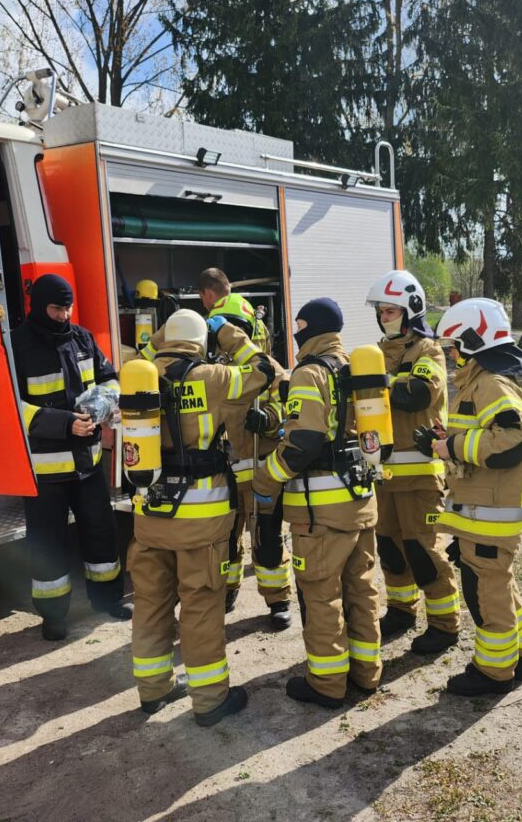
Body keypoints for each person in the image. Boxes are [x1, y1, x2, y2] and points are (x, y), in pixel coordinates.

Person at [128, 309, 275, 726]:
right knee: (199, 605)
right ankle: (210, 699)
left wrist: (158, 336)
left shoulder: (137, 374)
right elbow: (267, 369)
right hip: (201, 518)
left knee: (151, 602)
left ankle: (153, 690)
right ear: (200, 342)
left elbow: (148, 349)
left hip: (149, 514)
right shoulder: (213, 377)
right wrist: (228, 334)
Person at [253, 298, 382, 709]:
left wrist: (266, 475)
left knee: (322, 596)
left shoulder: (310, 372)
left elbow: (303, 441)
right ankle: (366, 673)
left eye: (298, 325)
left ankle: (327, 684)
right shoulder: (352, 371)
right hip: (360, 500)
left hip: (321, 513)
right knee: (361, 590)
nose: (294, 332)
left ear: (309, 328)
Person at [12, 274, 131, 641]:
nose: (63, 315)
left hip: (88, 464)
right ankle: (53, 616)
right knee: (46, 545)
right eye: (56, 308)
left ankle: (107, 599)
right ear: (39, 305)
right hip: (45, 472)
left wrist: (98, 410)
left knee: (101, 533)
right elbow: (12, 406)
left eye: (68, 308)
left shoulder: (82, 338)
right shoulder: (17, 344)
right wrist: (65, 425)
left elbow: (110, 379)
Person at [431, 297, 522, 696]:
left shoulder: (490, 384)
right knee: (500, 586)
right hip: (484, 510)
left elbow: (514, 441)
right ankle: (518, 657)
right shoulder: (481, 382)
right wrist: (452, 442)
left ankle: (493, 673)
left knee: (485, 594)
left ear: (472, 342)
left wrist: (454, 447)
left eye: (454, 347)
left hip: (491, 513)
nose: (451, 355)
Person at [365, 270, 461, 654]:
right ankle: (402, 610)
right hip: (383, 474)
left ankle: (444, 624)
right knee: (390, 547)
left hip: (420, 475)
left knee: (424, 551)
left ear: (411, 311)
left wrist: (379, 380)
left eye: (390, 311)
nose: (384, 318)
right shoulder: (375, 353)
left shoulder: (429, 350)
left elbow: (419, 394)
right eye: (382, 312)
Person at [208, 292, 292, 628]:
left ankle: (278, 599)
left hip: (260, 471)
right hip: (224, 473)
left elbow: (288, 407)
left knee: (267, 537)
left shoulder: (268, 368)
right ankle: (227, 592)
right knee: (225, 539)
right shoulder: (213, 373)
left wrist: (268, 418)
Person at [198, 267, 272, 353]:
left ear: (208, 293)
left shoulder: (215, 322)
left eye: (201, 297)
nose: (203, 304)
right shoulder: (253, 315)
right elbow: (268, 359)